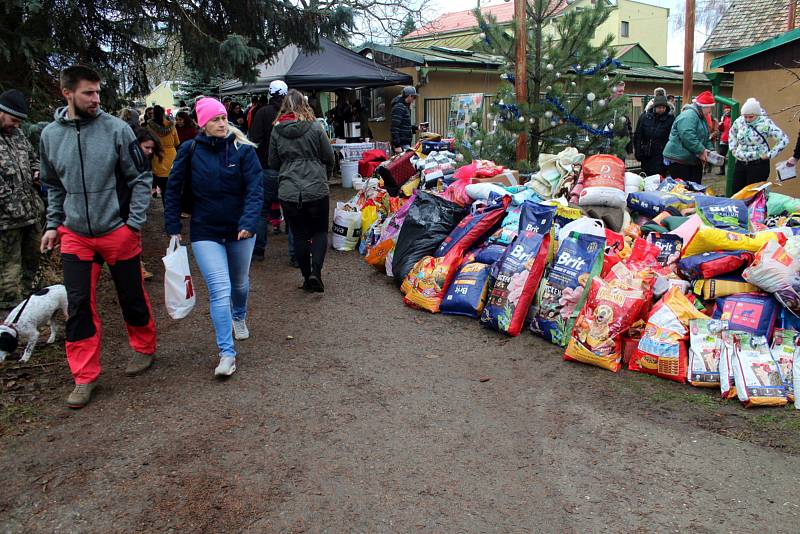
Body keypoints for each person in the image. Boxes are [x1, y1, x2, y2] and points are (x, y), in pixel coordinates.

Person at [39, 64, 157, 408]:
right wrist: (52, 224)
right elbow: (53, 185)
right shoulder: (50, 135)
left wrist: (132, 224)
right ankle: (84, 376)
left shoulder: (117, 130)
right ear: (67, 93)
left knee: (131, 294)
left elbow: (140, 178)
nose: (96, 98)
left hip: (117, 231)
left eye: (98, 91)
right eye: (88, 92)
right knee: (77, 305)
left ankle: (144, 347)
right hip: (75, 235)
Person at [164, 97, 263, 378]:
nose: (222, 123)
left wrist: (248, 221)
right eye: (215, 120)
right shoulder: (190, 150)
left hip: (240, 229)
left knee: (240, 283)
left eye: (223, 118)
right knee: (220, 290)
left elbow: (256, 189)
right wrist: (173, 226)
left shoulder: (242, 149)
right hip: (205, 230)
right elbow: (173, 189)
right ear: (202, 123)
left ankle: (239, 315)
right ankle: (226, 354)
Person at [268, 89, 334, 292]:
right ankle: (316, 272)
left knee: (299, 235)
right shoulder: (315, 127)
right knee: (320, 231)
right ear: (304, 105)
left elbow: (273, 161)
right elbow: (329, 156)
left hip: (289, 190)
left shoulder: (276, 130)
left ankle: (307, 277)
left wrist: (288, 170)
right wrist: (325, 176)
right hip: (316, 187)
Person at [0, 89, 44, 310]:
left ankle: (31, 302)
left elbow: (33, 159)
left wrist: (37, 173)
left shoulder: (18, 135)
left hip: (31, 212)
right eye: (13, 120)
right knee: (9, 266)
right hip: (6, 220)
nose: (16, 125)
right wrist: (11, 204)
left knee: (33, 257)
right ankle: (9, 309)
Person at [249, 80, 295, 263]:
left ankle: (259, 251)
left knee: (262, 211)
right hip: (289, 169)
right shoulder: (292, 114)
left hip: (266, 168)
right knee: (292, 211)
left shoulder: (262, 113)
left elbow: (254, 140)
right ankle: (294, 255)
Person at [728, 97, 788, 193]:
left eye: (750, 117)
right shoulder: (739, 121)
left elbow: (783, 140)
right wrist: (733, 149)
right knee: (736, 192)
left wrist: (769, 155)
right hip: (740, 162)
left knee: (753, 195)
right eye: (745, 116)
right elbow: (732, 133)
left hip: (758, 164)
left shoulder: (766, 123)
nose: (747, 119)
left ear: (757, 114)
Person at [663, 90, 716, 184]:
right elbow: (687, 136)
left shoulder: (700, 117)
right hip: (680, 159)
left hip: (690, 159)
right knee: (684, 190)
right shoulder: (689, 116)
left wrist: (711, 150)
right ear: (703, 106)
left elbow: (705, 136)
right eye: (710, 107)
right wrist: (702, 150)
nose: (710, 111)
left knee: (695, 187)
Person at [134, 128, 164, 280]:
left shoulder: (144, 161)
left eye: (152, 149)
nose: (150, 152)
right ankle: (136, 267)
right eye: (147, 147)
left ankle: (138, 264)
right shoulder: (127, 162)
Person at [633, 94, 674, 177]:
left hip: (662, 155)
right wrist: (638, 151)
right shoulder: (645, 117)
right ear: (654, 107)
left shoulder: (670, 119)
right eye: (659, 107)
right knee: (647, 178)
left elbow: (672, 138)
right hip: (647, 154)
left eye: (663, 107)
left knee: (659, 178)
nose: (661, 109)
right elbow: (638, 135)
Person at [146, 105, 180, 201]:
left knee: (163, 186)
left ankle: (167, 207)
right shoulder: (172, 125)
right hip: (171, 157)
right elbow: (177, 142)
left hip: (158, 156)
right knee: (174, 186)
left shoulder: (150, 126)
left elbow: (149, 140)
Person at [390, 86, 426, 153]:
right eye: (414, 97)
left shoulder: (404, 106)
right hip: (401, 144)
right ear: (409, 96)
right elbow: (394, 127)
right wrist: (397, 145)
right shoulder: (399, 107)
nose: (414, 99)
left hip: (404, 143)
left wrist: (417, 128)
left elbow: (404, 125)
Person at [716, 105, 732, 175]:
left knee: (732, 156)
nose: (727, 111)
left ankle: (731, 171)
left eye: (728, 109)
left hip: (731, 139)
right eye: (726, 109)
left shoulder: (733, 117)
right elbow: (721, 129)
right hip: (724, 138)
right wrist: (720, 125)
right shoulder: (723, 117)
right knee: (721, 155)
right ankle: (722, 171)